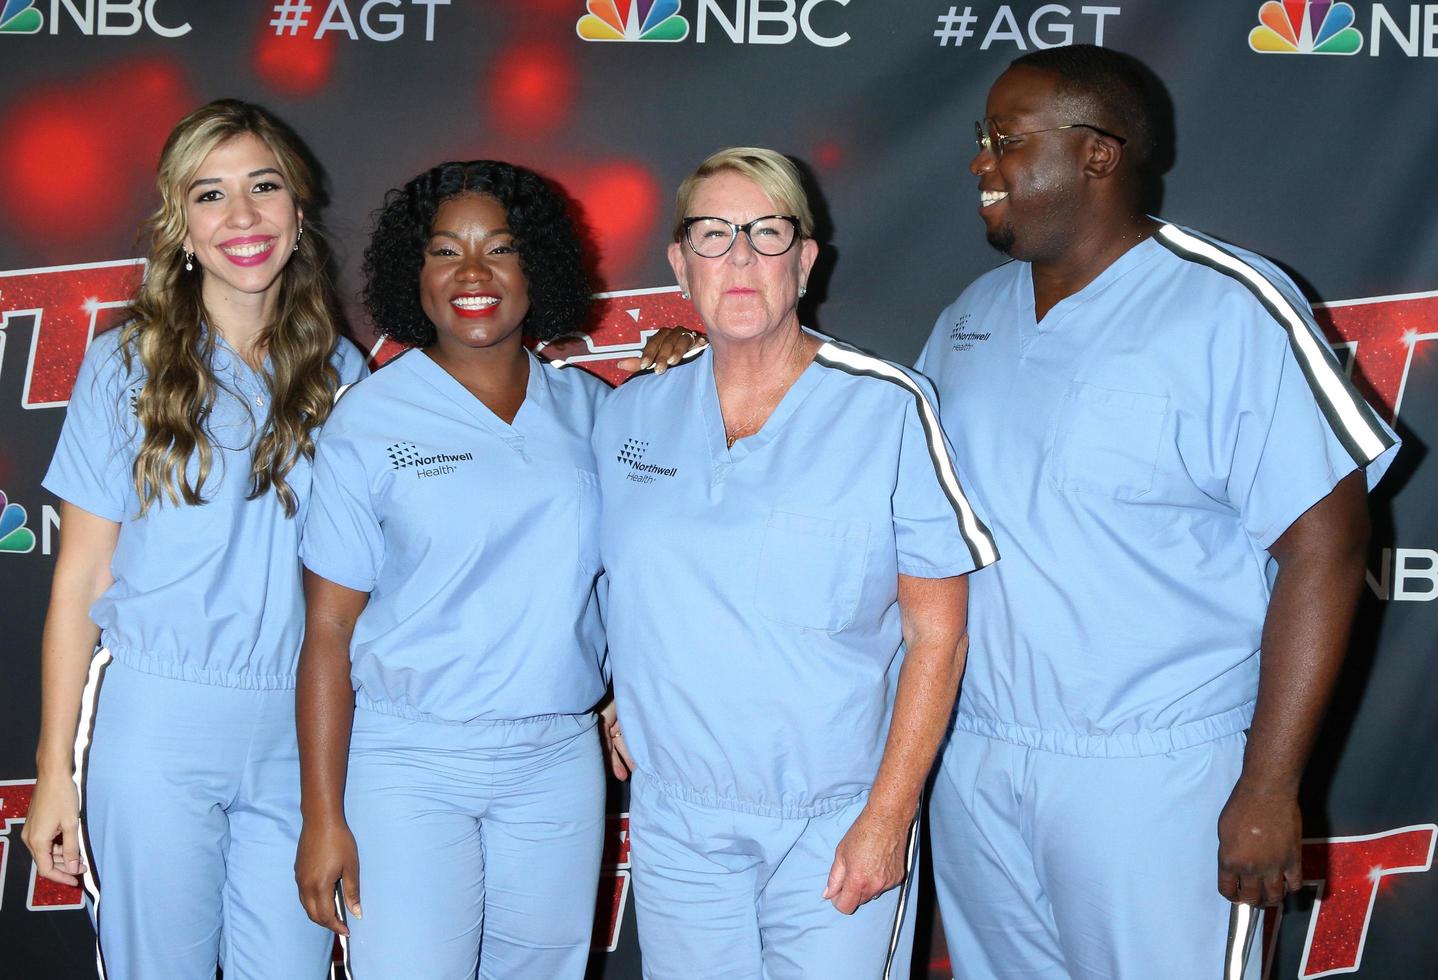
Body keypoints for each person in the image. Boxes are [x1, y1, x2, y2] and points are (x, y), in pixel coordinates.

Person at [914, 45, 1399, 980]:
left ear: (1099, 154)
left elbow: (1328, 547)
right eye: (983, 141)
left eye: (1006, 141)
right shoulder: (969, 317)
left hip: (1155, 770)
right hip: (979, 758)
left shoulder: (1231, 306)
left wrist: (1268, 786)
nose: (981, 163)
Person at [594, 147, 998, 980]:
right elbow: (610, 580)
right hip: (678, 822)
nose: (739, 257)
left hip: (834, 821)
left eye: (766, 232)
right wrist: (609, 689)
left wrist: (889, 815)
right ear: (679, 263)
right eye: (712, 234)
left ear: (805, 260)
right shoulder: (631, 412)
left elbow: (939, 636)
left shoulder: (888, 406)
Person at [293, 160, 691, 979]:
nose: (472, 274)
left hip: (556, 761)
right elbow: (328, 632)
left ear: (533, 269)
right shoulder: (367, 420)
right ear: (417, 274)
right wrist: (322, 815)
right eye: (446, 251)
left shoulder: (595, 410)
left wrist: (688, 369)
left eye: (499, 249)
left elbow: (661, 549)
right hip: (409, 761)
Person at [21, 100, 367, 978]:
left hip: (303, 729)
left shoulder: (344, 374)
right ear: (181, 225)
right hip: (157, 724)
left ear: (297, 213)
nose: (242, 217)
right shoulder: (122, 363)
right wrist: (53, 770)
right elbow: (80, 581)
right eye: (210, 195)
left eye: (264, 187)